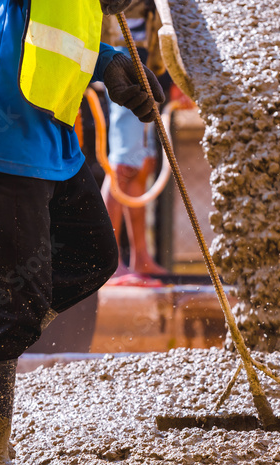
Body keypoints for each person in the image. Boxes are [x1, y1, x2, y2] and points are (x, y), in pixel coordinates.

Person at [0, 0, 165, 465]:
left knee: (90, 254)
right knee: (8, 308)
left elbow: (49, 22)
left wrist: (106, 61)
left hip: (45, 130)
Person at [101, 0, 168, 280]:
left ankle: (141, 257)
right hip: (122, 50)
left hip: (146, 50)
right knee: (123, 164)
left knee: (141, 164)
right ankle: (109, 262)